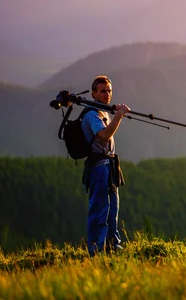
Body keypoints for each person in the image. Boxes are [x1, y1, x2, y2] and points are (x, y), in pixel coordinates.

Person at [81, 75, 130, 256]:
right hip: (98, 168)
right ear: (94, 93)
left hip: (109, 165)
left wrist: (115, 113)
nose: (107, 94)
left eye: (109, 91)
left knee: (112, 208)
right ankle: (96, 250)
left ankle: (112, 246)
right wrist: (118, 116)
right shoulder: (93, 115)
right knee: (100, 208)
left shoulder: (103, 111)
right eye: (103, 91)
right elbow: (104, 135)